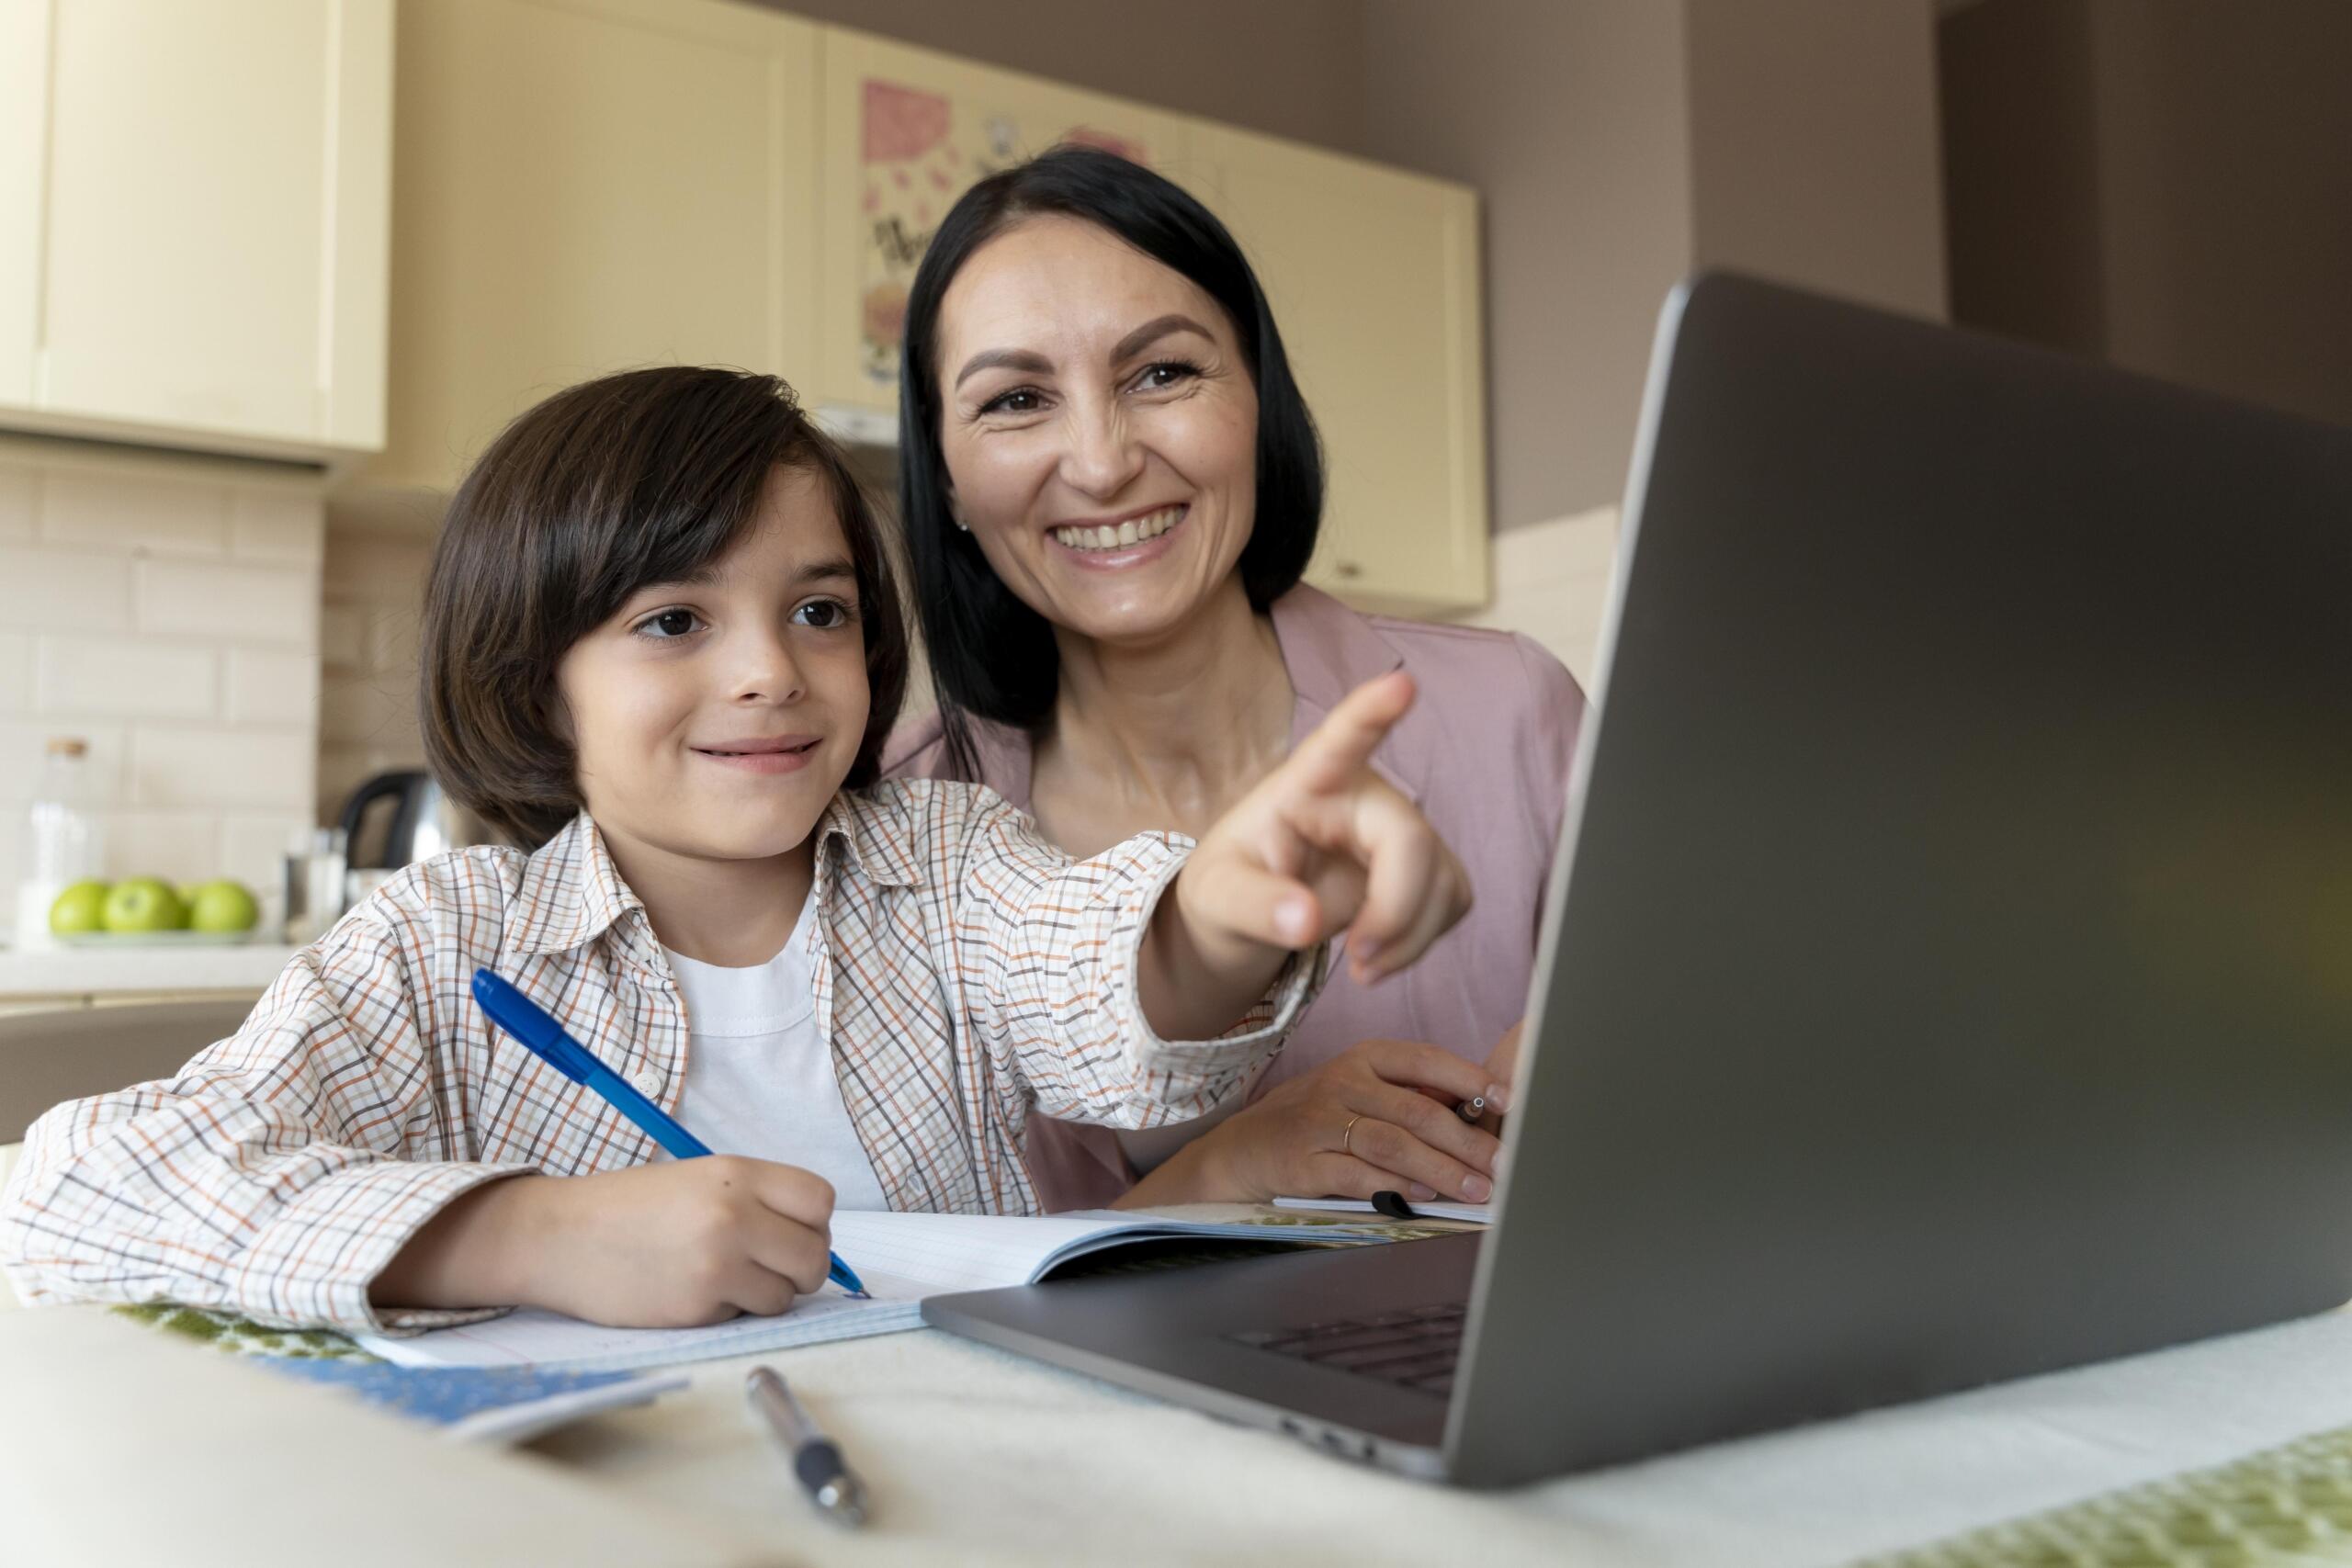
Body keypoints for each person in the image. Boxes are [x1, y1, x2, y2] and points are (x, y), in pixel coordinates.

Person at [0, 366, 1469, 1337]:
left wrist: (1225, 898)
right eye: (674, 620)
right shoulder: (450, 942)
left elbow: (1102, 977)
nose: (772, 669)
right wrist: (517, 1235)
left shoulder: (946, 863)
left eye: (820, 609)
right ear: (535, 683)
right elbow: (69, 1190)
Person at [886, 146, 1585, 1213]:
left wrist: (1620, 1062)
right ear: (945, 473)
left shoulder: (1513, 713)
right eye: (1017, 399)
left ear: (1259, 397)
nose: (1102, 460)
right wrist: (1233, 1162)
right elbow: (931, 1298)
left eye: (1161, 374)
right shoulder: (900, 830)